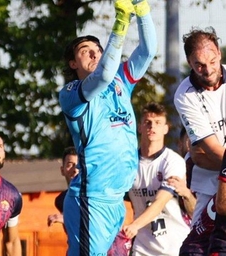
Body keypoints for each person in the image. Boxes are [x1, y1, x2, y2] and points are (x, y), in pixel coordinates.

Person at [58, 0, 157, 254]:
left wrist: (141, 7)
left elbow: (148, 50)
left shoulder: (121, 80)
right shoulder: (71, 94)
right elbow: (102, 75)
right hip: (91, 200)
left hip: (116, 201)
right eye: (85, 50)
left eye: (98, 49)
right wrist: (122, 21)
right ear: (73, 64)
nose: (94, 53)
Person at [174, 26, 226, 226]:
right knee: (196, 247)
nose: (208, 70)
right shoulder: (184, 95)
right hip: (207, 185)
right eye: (200, 65)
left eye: (212, 62)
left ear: (219, 53)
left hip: (217, 167)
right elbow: (208, 151)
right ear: (189, 62)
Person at [123, 102, 190, 256]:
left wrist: (134, 225)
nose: (152, 126)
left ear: (166, 128)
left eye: (158, 122)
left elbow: (160, 202)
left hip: (174, 246)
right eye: (147, 122)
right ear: (139, 127)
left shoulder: (173, 161)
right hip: (142, 247)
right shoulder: (127, 163)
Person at [47, 146, 78, 227]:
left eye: (78, 166)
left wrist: (67, 218)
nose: (75, 170)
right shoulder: (61, 200)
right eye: (70, 165)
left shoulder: (94, 195)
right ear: (62, 170)